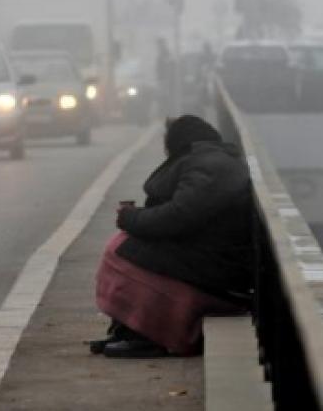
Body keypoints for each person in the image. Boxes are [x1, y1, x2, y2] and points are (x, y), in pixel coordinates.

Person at [91, 115, 253, 358]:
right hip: (211, 255)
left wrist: (131, 218)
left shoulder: (209, 167)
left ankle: (150, 334)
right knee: (126, 245)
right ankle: (129, 329)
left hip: (217, 269)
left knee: (121, 252)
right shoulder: (212, 161)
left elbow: (178, 216)